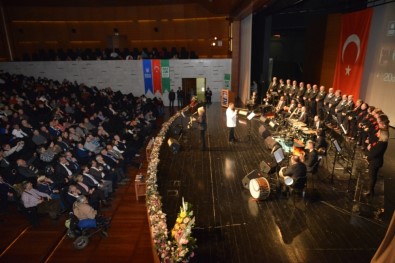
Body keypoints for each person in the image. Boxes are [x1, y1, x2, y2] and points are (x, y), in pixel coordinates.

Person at [364, 115, 389, 197]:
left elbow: (375, 153)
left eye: (378, 133)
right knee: (372, 176)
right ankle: (370, 190)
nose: (377, 133)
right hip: (375, 161)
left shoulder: (382, 143)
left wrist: (368, 157)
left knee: (372, 177)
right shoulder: (380, 142)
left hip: (376, 162)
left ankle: (370, 192)